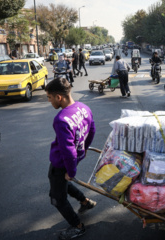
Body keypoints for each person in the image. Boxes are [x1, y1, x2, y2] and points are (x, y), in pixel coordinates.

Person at [45, 77, 97, 240]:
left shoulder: (61, 120)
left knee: (57, 199)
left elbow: (67, 150)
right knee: (61, 184)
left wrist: (71, 171)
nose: (49, 101)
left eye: (49, 97)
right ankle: (85, 201)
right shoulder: (83, 107)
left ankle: (77, 226)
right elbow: (92, 129)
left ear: (59, 97)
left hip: (62, 163)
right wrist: (85, 147)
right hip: (75, 156)